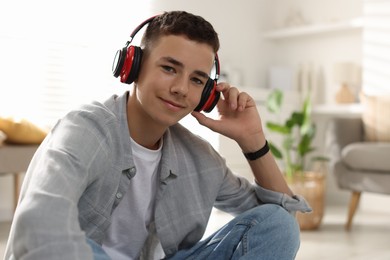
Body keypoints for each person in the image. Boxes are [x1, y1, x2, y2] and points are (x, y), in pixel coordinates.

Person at [5, 11, 311, 260]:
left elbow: (282, 219)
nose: (180, 88)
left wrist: (252, 140)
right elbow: (38, 222)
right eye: (168, 68)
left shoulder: (199, 156)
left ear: (206, 93)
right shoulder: (85, 130)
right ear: (133, 66)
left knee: (278, 225)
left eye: (196, 79)